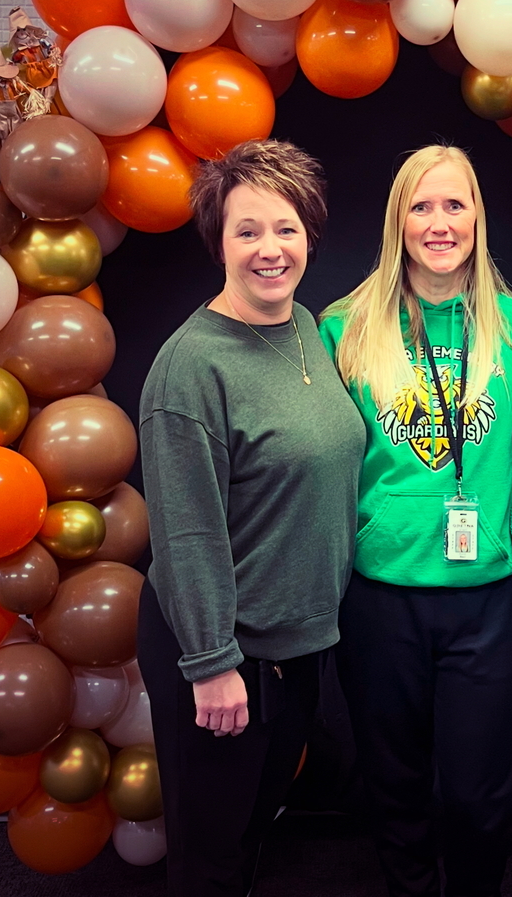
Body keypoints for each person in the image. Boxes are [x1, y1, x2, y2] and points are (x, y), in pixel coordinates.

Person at [137, 139, 366, 897]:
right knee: (211, 856)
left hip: (294, 649)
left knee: (254, 827)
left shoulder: (302, 325)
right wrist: (211, 662)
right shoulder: (191, 367)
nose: (270, 249)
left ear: (310, 235)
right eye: (248, 231)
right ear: (219, 241)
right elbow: (186, 531)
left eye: (287, 228)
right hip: (224, 655)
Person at [319, 145, 512, 897]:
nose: (439, 223)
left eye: (455, 205)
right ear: (398, 221)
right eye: (422, 206)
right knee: (395, 785)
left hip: (492, 599)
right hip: (381, 595)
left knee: (482, 796)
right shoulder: (343, 328)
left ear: (478, 217)